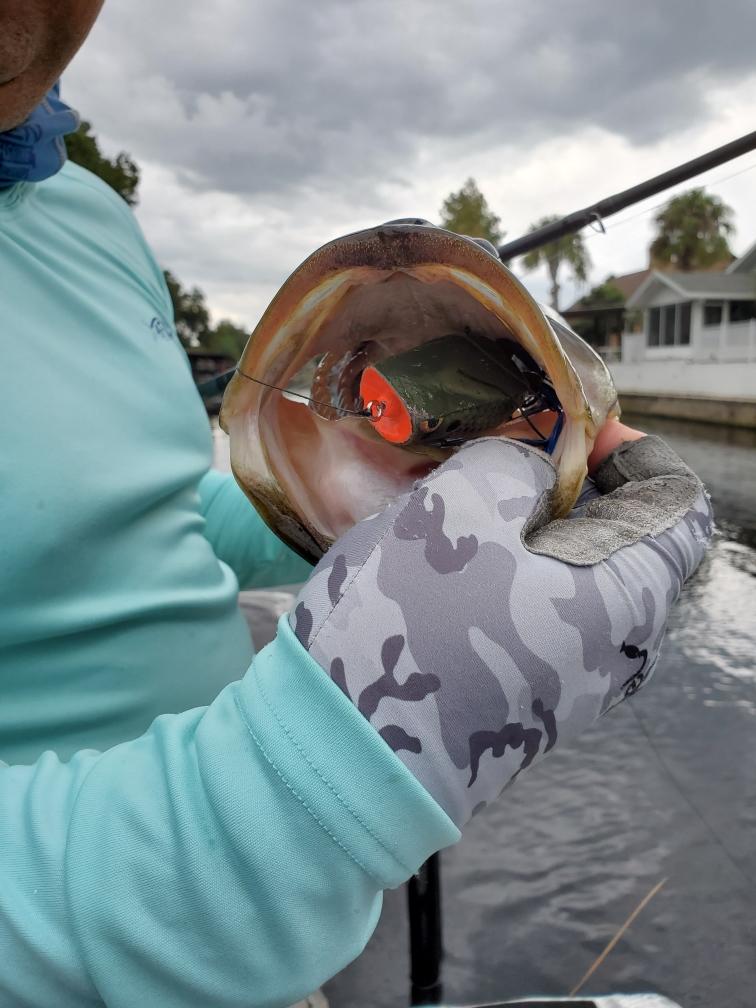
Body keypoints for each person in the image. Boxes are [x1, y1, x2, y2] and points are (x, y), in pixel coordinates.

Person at [0, 4, 713, 1006]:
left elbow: (147, 507)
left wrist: (378, 501)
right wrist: (275, 807)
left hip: (274, 945)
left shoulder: (92, 219)